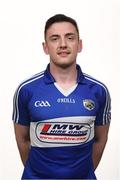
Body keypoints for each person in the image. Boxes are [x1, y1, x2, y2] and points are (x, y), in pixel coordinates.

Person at [12, 14, 111, 179]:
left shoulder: (99, 91)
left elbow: (100, 140)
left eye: (70, 38)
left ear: (79, 45)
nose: (63, 44)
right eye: (55, 38)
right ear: (45, 47)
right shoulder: (26, 90)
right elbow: (22, 140)